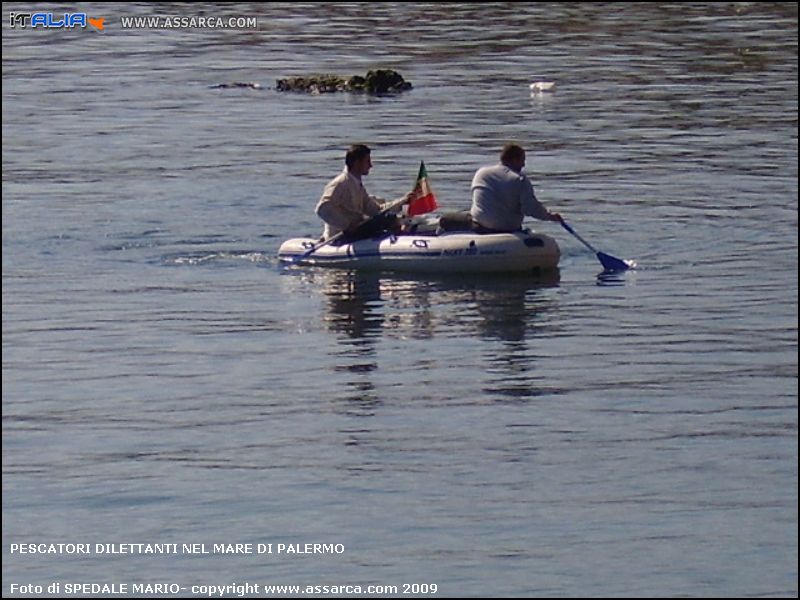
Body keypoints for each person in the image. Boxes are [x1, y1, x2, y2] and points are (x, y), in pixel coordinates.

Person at [315, 144, 413, 241]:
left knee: (388, 217)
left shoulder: (357, 184)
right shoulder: (340, 183)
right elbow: (323, 208)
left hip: (356, 231)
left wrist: (403, 201)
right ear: (357, 163)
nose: (371, 165)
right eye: (367, 161)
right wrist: (346, 225)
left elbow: (376, 210)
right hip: (341, 236)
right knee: (388, 220)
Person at [469, 143, 561, 233]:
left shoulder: (481, 173)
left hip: (480, 226)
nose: (523, 165)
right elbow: (530, 208)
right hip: (506, 229)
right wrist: (550, 216)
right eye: (522, 160)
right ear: (514, 160)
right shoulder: (519, 179)